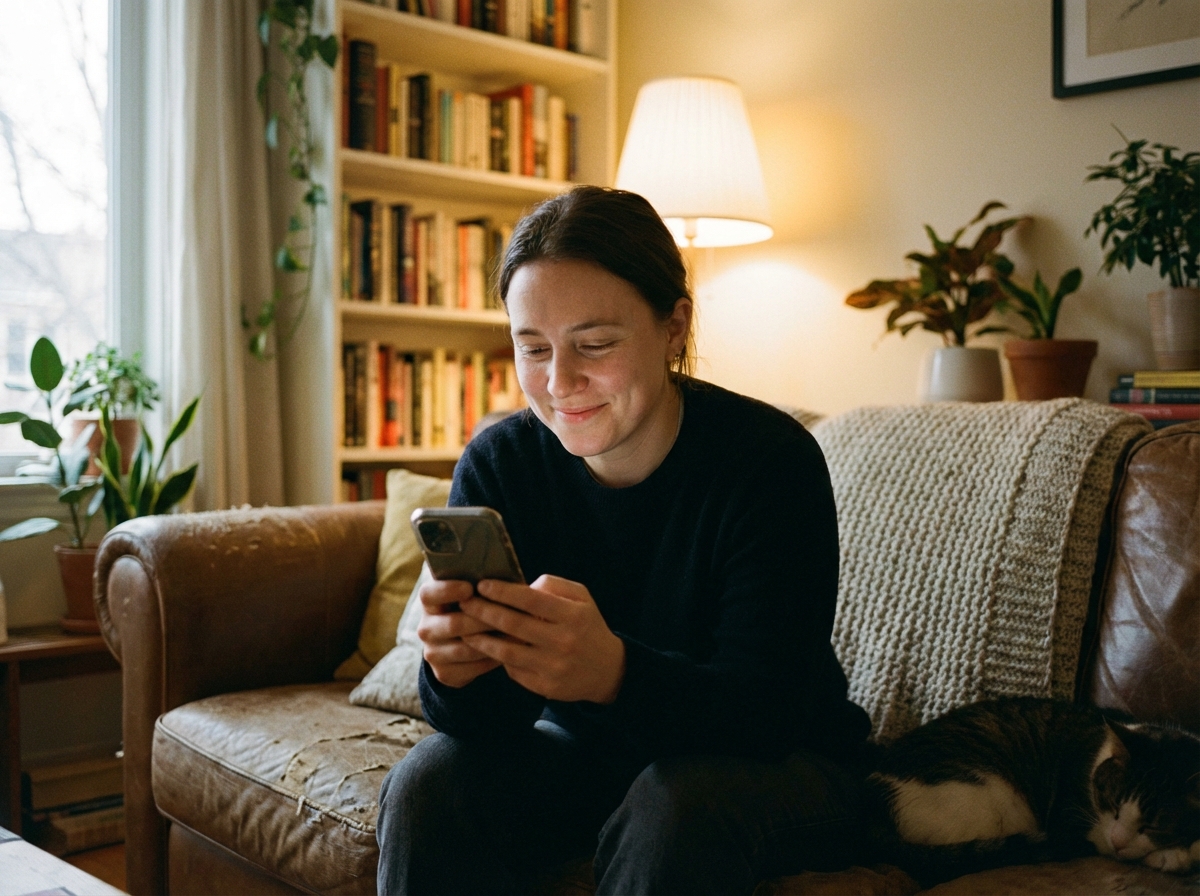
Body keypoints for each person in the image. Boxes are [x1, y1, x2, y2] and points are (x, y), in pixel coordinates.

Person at [376, 186, 871, 895]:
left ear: (674, 328)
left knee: (675, 803)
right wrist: (452, 673)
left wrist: (613, 674)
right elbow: (487, 724)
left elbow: (767, 712)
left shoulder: (769, 461)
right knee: (430, 781)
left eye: (595, 345)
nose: (559, 382)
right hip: (594, 756)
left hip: (784, 765)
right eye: (533, 347)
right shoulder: (502, 463)